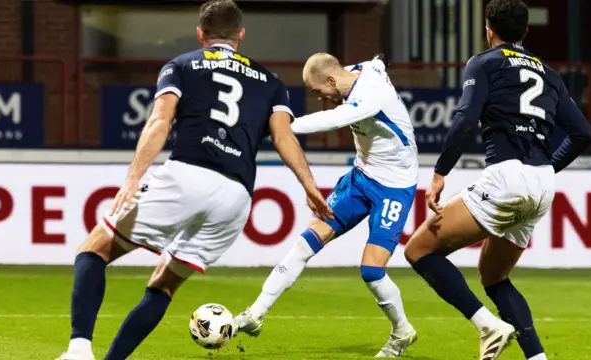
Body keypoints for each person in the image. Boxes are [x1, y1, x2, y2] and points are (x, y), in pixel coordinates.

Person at [55, 1, 332, 359]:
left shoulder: (182, 65)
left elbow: (160, 122)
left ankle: (79, 349)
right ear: (241, 36)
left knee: (93, 250)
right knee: (164, 285)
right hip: (236, 196)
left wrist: (132, 179)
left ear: (201, 34)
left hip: (188, 173)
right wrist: (309, 186)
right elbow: (284, 138)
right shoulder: (272, 82)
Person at [403, 1, 591, 359]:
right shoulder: (549, 74)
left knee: (419, 250)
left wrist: (440, 172)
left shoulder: (485, 62)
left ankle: (488, 327)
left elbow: (465, 118)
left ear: (489, 29)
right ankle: (537, 357)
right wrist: (549, 168)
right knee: (494, 277)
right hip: (542, 183)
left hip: (507, 176)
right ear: (525, 32)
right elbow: (582, 132)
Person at [235, 53, 420, 358]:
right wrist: (380, 60)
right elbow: (375, 63)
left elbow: (332, 120)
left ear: (331, 80)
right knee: (304, 245)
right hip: (361, 178)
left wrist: (281, 128)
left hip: (395, 187)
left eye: (319, 92)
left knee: (372, 271)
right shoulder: (357, 72)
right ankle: (255, 314)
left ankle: (402, 332)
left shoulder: (371, 94)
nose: (320, 98)